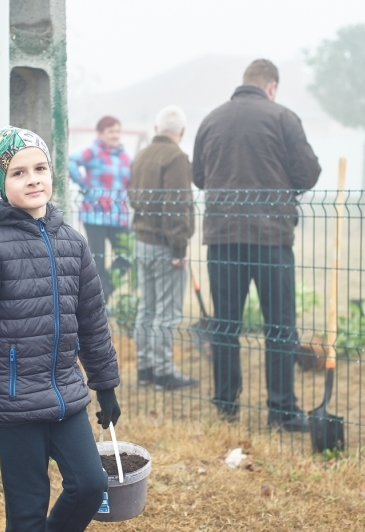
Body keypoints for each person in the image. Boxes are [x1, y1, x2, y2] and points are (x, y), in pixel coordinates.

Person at [0, 126, 121, 532]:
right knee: (28, 510)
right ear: (2, 183)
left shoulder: (73, 243)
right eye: (18, 172)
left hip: (65, 395)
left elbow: (92, 322)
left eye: (40, 167)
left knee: (90, 484)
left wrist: (105, 385)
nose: (33, 178)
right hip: (12, 405)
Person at [192, 59, 321, 431]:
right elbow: (308, 173)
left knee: (226, 325)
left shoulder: (211, 119)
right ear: (272, 87)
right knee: (279, 326)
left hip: (222, 237)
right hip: (270, 237)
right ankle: (281, 411)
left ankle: (226, 406)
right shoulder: (283, 118)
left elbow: (199, 176)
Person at [128, 105, 197, 390]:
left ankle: (146, 370)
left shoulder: (142, 155)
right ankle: (164, 373)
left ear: (157, 129)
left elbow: (132, 197)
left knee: (148, 309)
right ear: (181, 132)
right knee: (166, 313)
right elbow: (177, 206)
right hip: (166, 244)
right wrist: (179, 248)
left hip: (142, 241)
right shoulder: (177, 157)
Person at [68, 116, 132, 302]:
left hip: (118, 216)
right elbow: (70, 161)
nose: (115, 135)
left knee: (126, 256)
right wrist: (84, 185)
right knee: (98, 263)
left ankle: (103, 295)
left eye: (118, 131)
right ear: (101, 133)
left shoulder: (125, 156)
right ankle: (96, 304)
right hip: (94, 215)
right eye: (111, 131)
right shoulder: (93, 152)